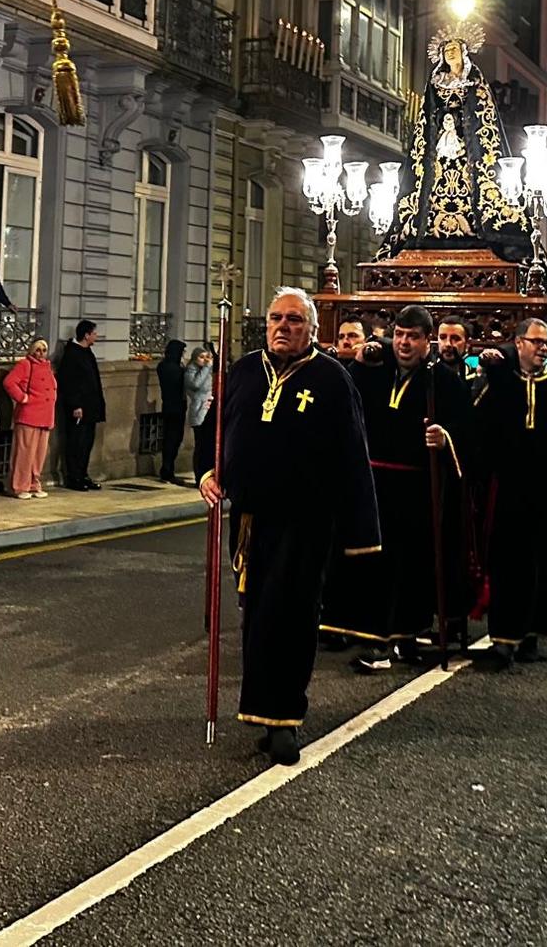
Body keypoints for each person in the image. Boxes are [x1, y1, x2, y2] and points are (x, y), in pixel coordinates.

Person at [197, 287, 376, 766]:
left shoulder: (333, 379)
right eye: (276, 317)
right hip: (251, 520)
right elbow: (217, 428)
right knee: (255, 617)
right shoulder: (244, 370)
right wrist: (208, 473)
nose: (283, 326)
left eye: (294, 320)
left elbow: (353, 457)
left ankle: (285, 720)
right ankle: (258, 709)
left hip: (306, 523)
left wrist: (362, 532)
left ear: (312, 329)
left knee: (293, 617)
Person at [323, 304, 470, 671]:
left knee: (412, 568)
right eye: (400, 335)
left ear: (427, 341)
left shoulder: (445, 383)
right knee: (375, 566)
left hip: (417, 490)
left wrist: (445, 438)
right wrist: (359, 356)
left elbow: (468, 435)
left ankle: (405, 638)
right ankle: (378, 642)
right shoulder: (375, 370)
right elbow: (345, 399)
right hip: (373, 486)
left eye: (413, 337)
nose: (405, 344)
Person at [468, 316, 547, 667]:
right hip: (509, 490)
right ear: (519, 344)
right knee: (508, 563)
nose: (543, 349)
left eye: (546, 344)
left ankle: (532, 633)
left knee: (544, 564)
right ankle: (504, 638)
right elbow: (476, 423)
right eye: (536, 342)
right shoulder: (500, 381)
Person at [2, 338, 56, 499]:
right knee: (24, 453)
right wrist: (23, 398)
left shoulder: (47, 367)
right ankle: (19, 486)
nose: (40, 353)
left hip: (45, 416)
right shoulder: (25, 365)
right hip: (29, 415)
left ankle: (33, 484)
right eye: (37, 350)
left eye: (44, 350)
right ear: (32, 350)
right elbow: (9, 382)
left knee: (38, 454)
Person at [55, 320, 105, 491]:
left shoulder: (87, 351)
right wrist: (75, 405)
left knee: (87, 443)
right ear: (86, 335)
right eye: (94, 333)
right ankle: (74, 477)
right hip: (79, 409)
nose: (96, 336)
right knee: (76, 442)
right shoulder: (72, 354)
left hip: (91, 407)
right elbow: (69, 383)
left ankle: (83, 474)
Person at [157, 340, 189, 483]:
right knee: (173, 439)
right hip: (176, 407)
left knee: (171, 438)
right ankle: (167, 470)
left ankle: (167, 469)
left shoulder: (163, 366)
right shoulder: (174, 369)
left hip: (168, 406)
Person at [183, 345, 215, 486]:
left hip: (208, 411)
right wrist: (207, 367)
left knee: (208, 446)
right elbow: (196, 385)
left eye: (205, 357)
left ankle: (207, 476)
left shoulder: (205, 371)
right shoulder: (191, 371)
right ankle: (199, 477)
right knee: (201, 446)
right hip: (199, 413)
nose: (204, 360)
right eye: (201, 357)